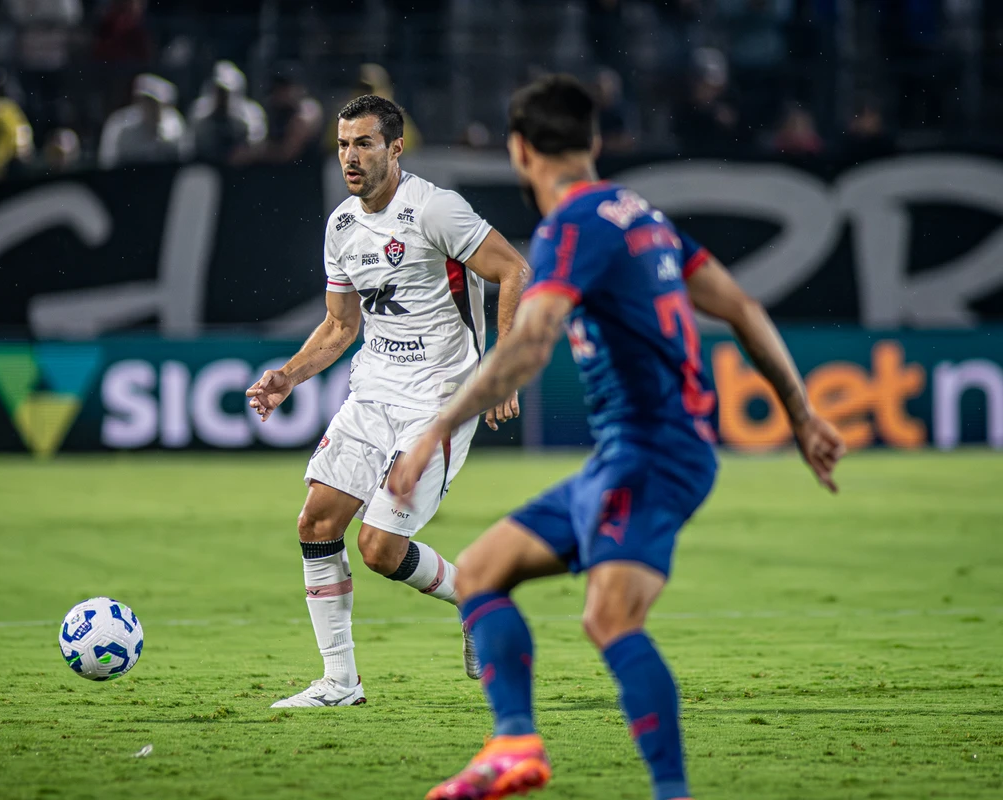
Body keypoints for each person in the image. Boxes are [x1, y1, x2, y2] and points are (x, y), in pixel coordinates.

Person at [388, 74, 846, 800]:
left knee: (610, 618)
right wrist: (799, 411)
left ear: (518, 151)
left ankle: (671, 793)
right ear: (594, 141)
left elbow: (533, 340)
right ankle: (513, 747)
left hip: (654, 454)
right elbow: (744, 306)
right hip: (627, 456)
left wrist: (437, 427)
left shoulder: (575, 224)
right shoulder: (643, 217)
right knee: (479, 572)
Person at [245, 95, 530, 708]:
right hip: (372, 392)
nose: (351, 156)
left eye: (364, 143)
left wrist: (503, 369)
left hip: (440, 401)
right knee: (316, 524)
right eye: (344, 144)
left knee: (378, 550)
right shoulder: (342, 226)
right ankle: (339, 683)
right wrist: (288, 376)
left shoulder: (435, 209)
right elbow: (340, 326)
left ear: (395, 148)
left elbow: (514, 270)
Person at [97, 73, 191, 169]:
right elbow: (108, 162)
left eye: (156, 104)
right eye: (146, 101)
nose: (151, 107)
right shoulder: (120, 125)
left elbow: (184, 158)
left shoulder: (175, 125)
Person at [189, 60, 266, 163]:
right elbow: (190, 145)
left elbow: (256, 145)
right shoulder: (199, 111)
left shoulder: (252, 113)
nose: (223, 96)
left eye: (226, 92)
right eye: (219, 91)